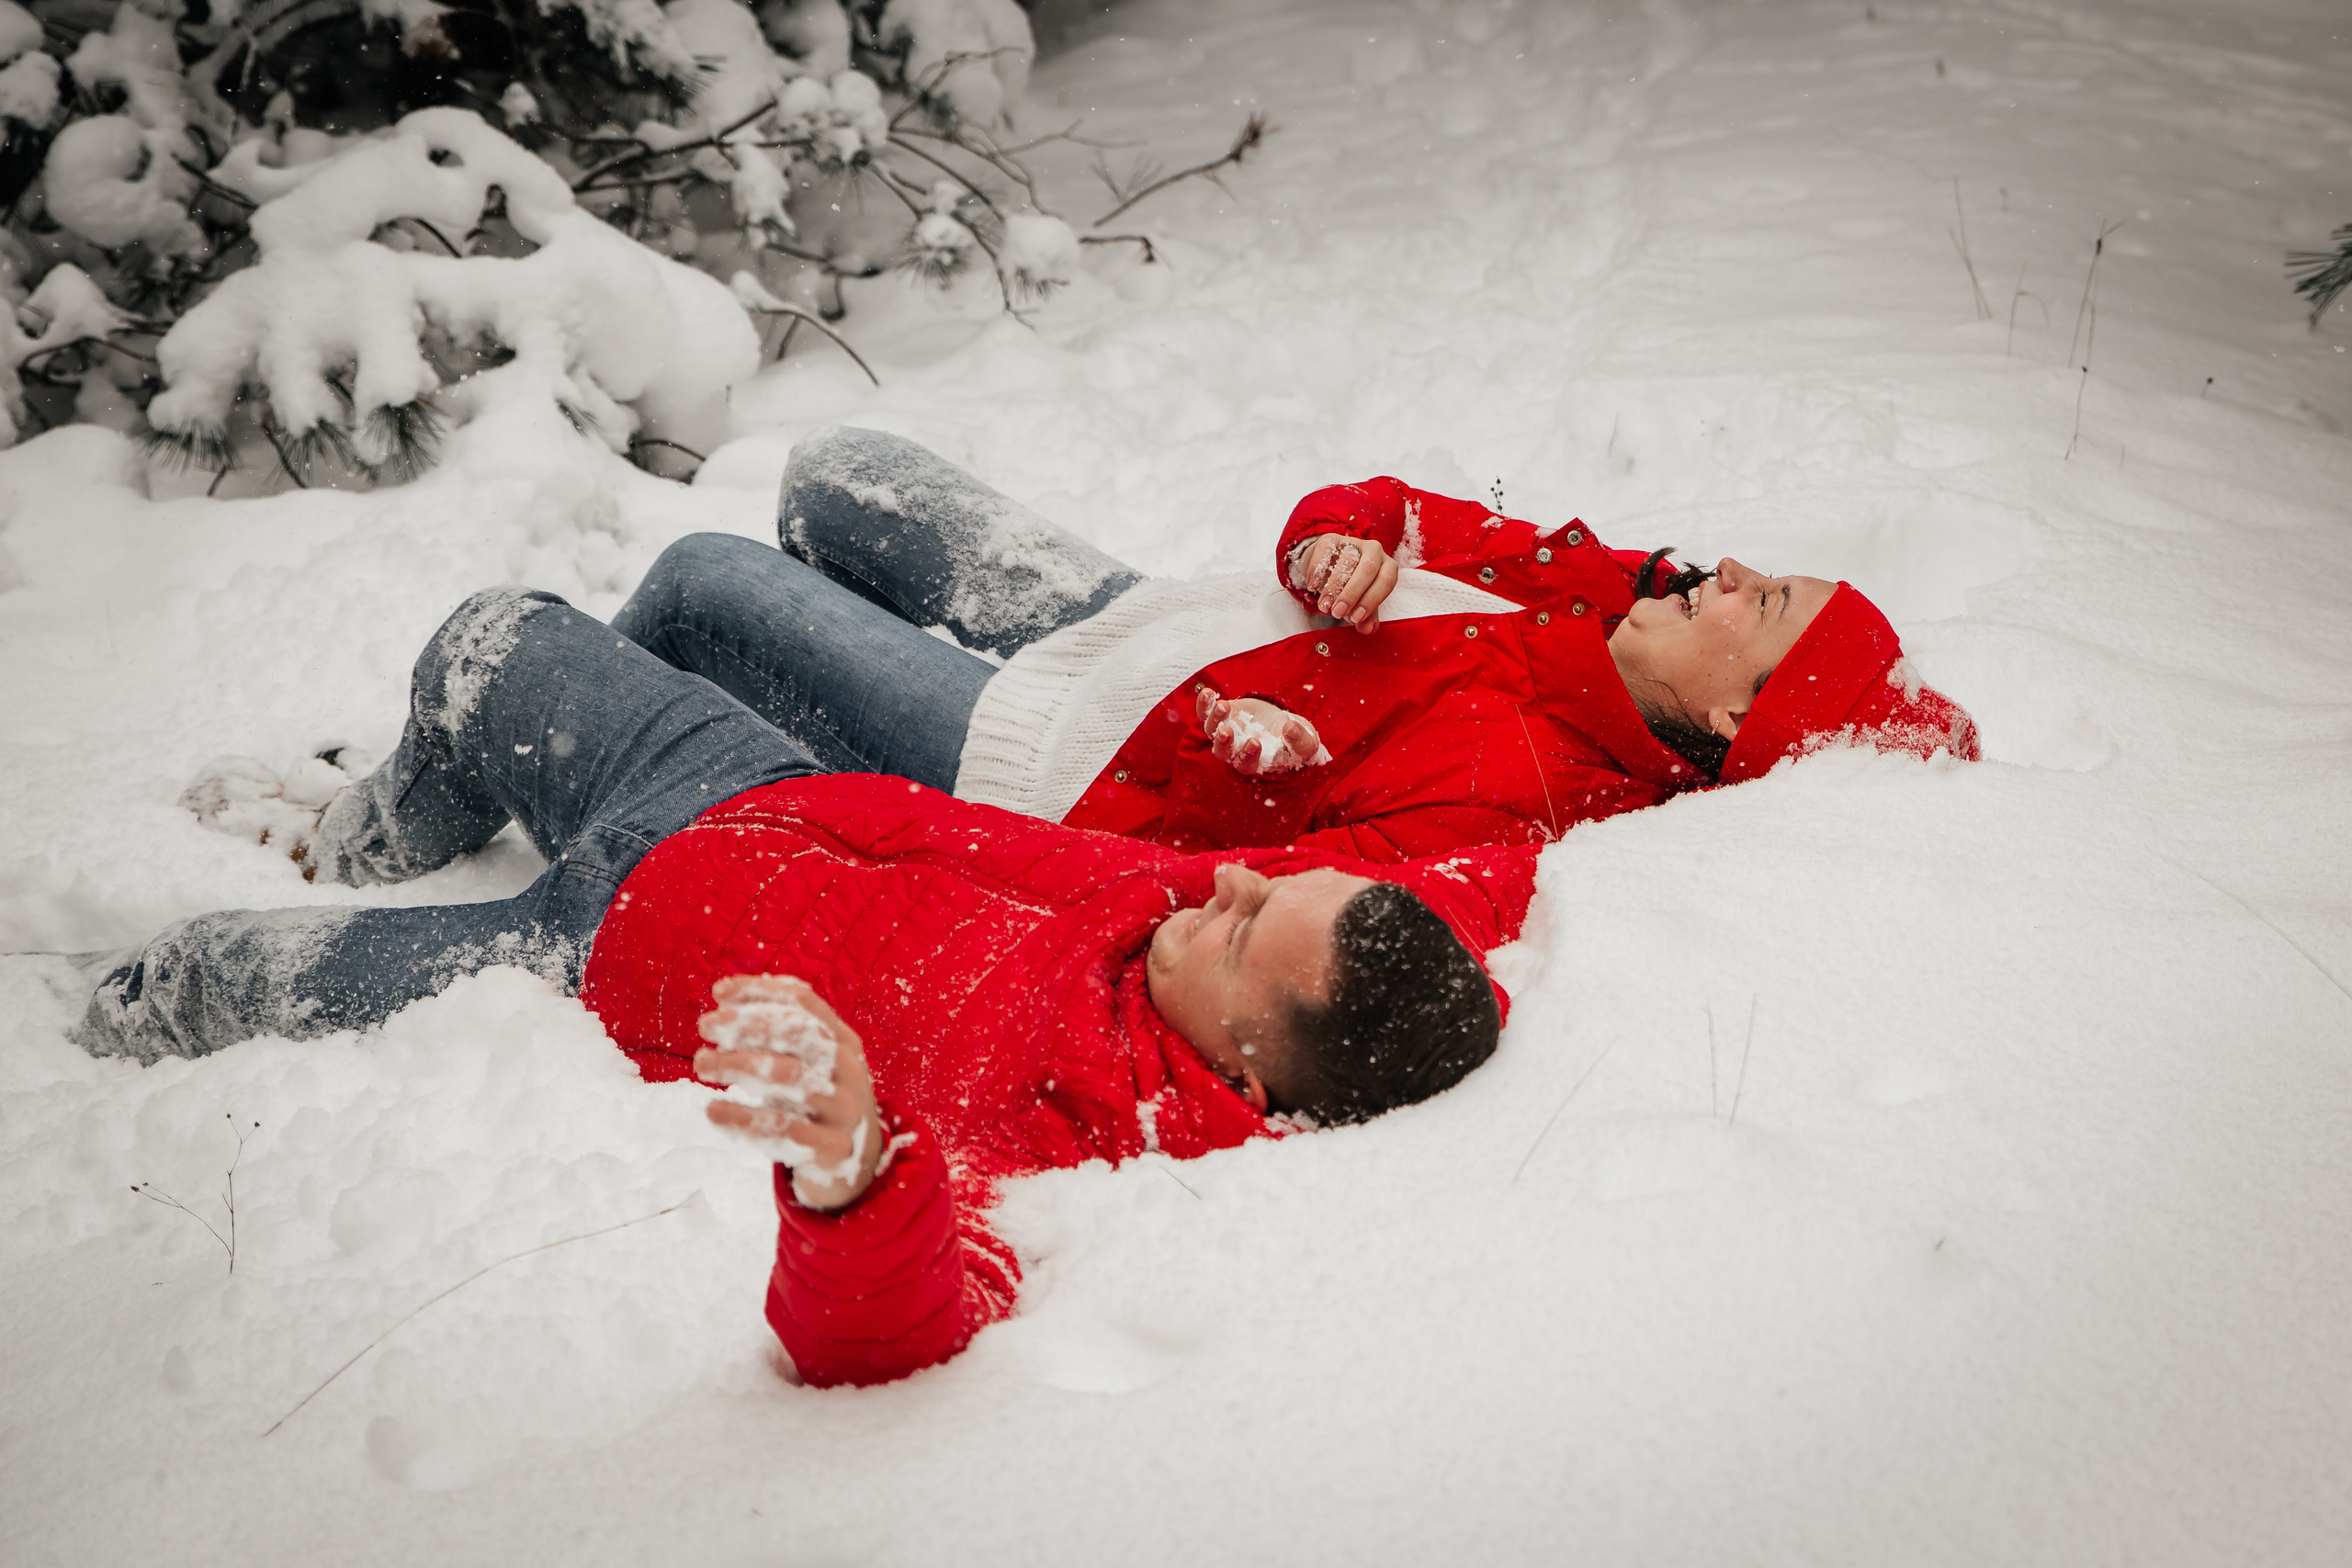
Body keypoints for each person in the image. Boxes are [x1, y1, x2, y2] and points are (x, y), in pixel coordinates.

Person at [70, 585, 1526, 1386]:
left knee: (201, 974)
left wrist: (852, 1174)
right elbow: (1478, 872)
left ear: (1251, 1077)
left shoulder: (1072, 1122)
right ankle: (365, 836)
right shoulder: (1269, 940)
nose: (1222, 885)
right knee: (488, 638)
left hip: (580, 954)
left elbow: (903, 1316)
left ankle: (62, 1017)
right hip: (734, 783)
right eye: (1264, 882)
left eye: (1240, 931)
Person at [610, 427, 1979, 865]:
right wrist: (1340, 547)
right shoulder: (1613, 591)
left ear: (1740, 729)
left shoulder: (1518, 790)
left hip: (1066, 758)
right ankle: (792, 696)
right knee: (840, 475)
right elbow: (1390, 506)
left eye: (1767, 606)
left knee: (700, 581)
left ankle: (603, 761)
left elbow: (1218, 894)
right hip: (1148, 625)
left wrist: (1247, 774)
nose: (1731, 570)